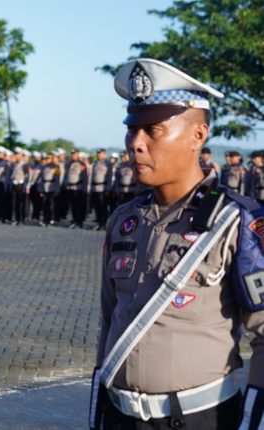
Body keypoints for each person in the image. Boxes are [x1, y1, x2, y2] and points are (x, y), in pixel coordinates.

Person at [92, 58, 264, 429]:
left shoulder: (237, 221)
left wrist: (252, 420)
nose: (136, 144)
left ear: (197, 135)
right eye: (132, 129)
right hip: (121, 416)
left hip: (200, 419)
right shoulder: (124, 220)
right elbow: (109, 320)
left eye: (152, 130)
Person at [64, 148, 89, 228]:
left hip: (79, 188)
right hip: (70, 187)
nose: (73, 155)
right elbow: (66, 175)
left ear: (78, 154)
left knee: (79, 206)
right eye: (72, 154)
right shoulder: (69, 163)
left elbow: (84, 177)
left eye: (74, 154)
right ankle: (74, 220)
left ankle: (80, 221)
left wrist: (85, 188)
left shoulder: (81, 164)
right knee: (73, 206)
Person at [90, 148, 113, 231]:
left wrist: (108, 189)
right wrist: (91, 188)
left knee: (103, 207)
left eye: (100, 153)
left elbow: (109, 177)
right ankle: (99, 223)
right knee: (97, 207)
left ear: (104, 154)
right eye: (97, 153)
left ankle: (104, 224)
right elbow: (92, 176)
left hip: (103, 188)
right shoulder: (95, 163)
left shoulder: (107, 163)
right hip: (95, 188)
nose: (98, 154)